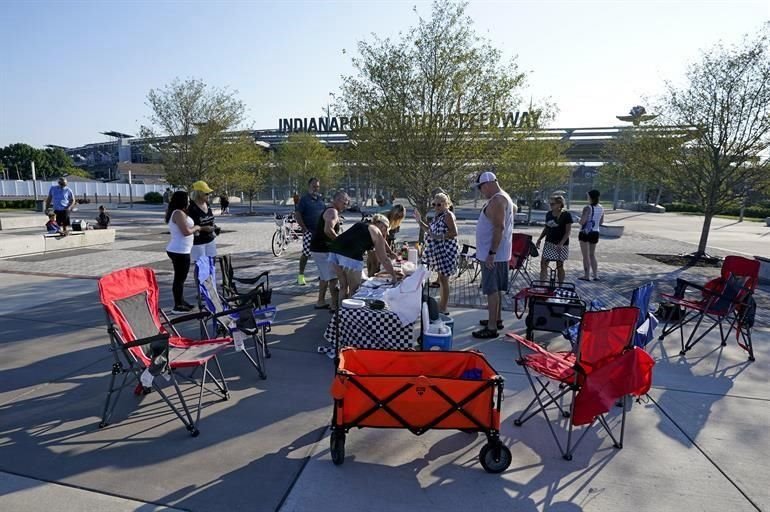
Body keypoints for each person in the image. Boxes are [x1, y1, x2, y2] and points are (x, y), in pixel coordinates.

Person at [472, 171, 516, 339]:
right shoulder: (503, 198)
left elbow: (499, 228)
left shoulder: (497, 200)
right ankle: (495, 319)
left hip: (493, 255)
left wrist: (491, 253)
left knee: (492, 289)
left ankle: (491, 327)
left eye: (481, 187)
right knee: (495, 288)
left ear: (488, 184)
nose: (481, 191)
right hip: (497, 253)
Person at [328, 214, 399, 299]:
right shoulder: (376, 231)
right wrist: (394, 276)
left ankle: (339, 311)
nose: (385, 232)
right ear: (380, 223)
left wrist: (390, 252)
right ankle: (350, 311)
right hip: (350, 256)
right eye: (386, 228)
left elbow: (382, 243)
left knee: (343, 286)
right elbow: (384, 259)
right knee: (354, 290)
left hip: (334, 252)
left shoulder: (362, 225)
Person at [415, 193, 458, 314]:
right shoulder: (438, 216)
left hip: (447, 251)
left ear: (446, 204)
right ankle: (441, 305)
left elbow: (454, 233)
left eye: (439, 204)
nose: (436, 207)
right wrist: (419, 222)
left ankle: (443, 308)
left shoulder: (448, 215)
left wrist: (439, 236)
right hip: (439, 252)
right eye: (434, 204)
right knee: (442, 281)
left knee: (444, 280)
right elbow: (430, 231)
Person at [309, 191, 349, 310]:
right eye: (344, 203)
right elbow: (328, 230)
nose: (345, 206)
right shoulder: (332, 211)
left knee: (324, 276)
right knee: (333, 278)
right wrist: (339, 242)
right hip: (323, 249)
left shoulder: (330, 210)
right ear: (337, 200)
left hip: (318, 248)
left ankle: (320, 301)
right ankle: (334, 305)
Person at [165, 190, 202, 313]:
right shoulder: (178, 213)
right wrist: (197, 227)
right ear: (181, 200)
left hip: (181, 249)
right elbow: (185, 232)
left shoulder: (180, 212)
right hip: (179, 250)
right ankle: (178, 305)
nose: (189, 201)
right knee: (179, 279)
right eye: (187, 198)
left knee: (181, 278)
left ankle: (181, 301)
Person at [295, 178, 325, 286]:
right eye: (314, 186)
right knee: (306, 253)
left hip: (321, 232)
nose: (316, 188)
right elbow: (297, 214)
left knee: (322, 254)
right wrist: (303, 228)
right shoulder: (304, 200)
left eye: (317, 186)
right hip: (309, 231)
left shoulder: (321, 199)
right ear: (309, 186)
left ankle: (322, 274)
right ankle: (301, 275)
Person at [535, 195, 572, 284]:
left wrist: (561, 243)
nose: (551, 205)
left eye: (553, 204)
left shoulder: (566, 215)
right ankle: (542, 285)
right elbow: (547, 228)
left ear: (560, 204)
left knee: (559, 265)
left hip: (561, 244)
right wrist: (540, 239)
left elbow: (568, 232)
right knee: (543, 264)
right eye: (550, 204)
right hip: (549, 243)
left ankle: (560, 286)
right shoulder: (549, 214)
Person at [366, 203, 405, 276]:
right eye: (397, 215)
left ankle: (371, 276)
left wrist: (389, 251)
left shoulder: (390, 219)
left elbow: (383, 238)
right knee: (374, 263)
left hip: (373, 239)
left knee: (375, 262)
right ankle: (370, 279)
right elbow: (381, 238)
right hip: (371, 239)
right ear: (394, 212)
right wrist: (389, 251)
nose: (397, 218)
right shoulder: (385, 218)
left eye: (400, 217)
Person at [188, 181, 219, 263]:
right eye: (206, 193)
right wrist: (202, 228)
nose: (208, 195)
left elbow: (210, 219)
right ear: (199, 193)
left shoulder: (207, 204)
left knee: (212, 263)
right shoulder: (191, 208)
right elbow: (189, 227)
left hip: (210, 239)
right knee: (201, 267)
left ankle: (211, 276)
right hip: (198, 242)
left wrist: (214, 227)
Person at [578, 189, 605, 281]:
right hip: (595, 232)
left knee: (585, 256)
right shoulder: (601, 207)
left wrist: (578, 219)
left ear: (590, 197)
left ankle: (586, 275)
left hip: (585, 233)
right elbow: (601, 222)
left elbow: (582, 221)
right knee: (592, 255)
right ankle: (595, 275)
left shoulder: (587, 208)